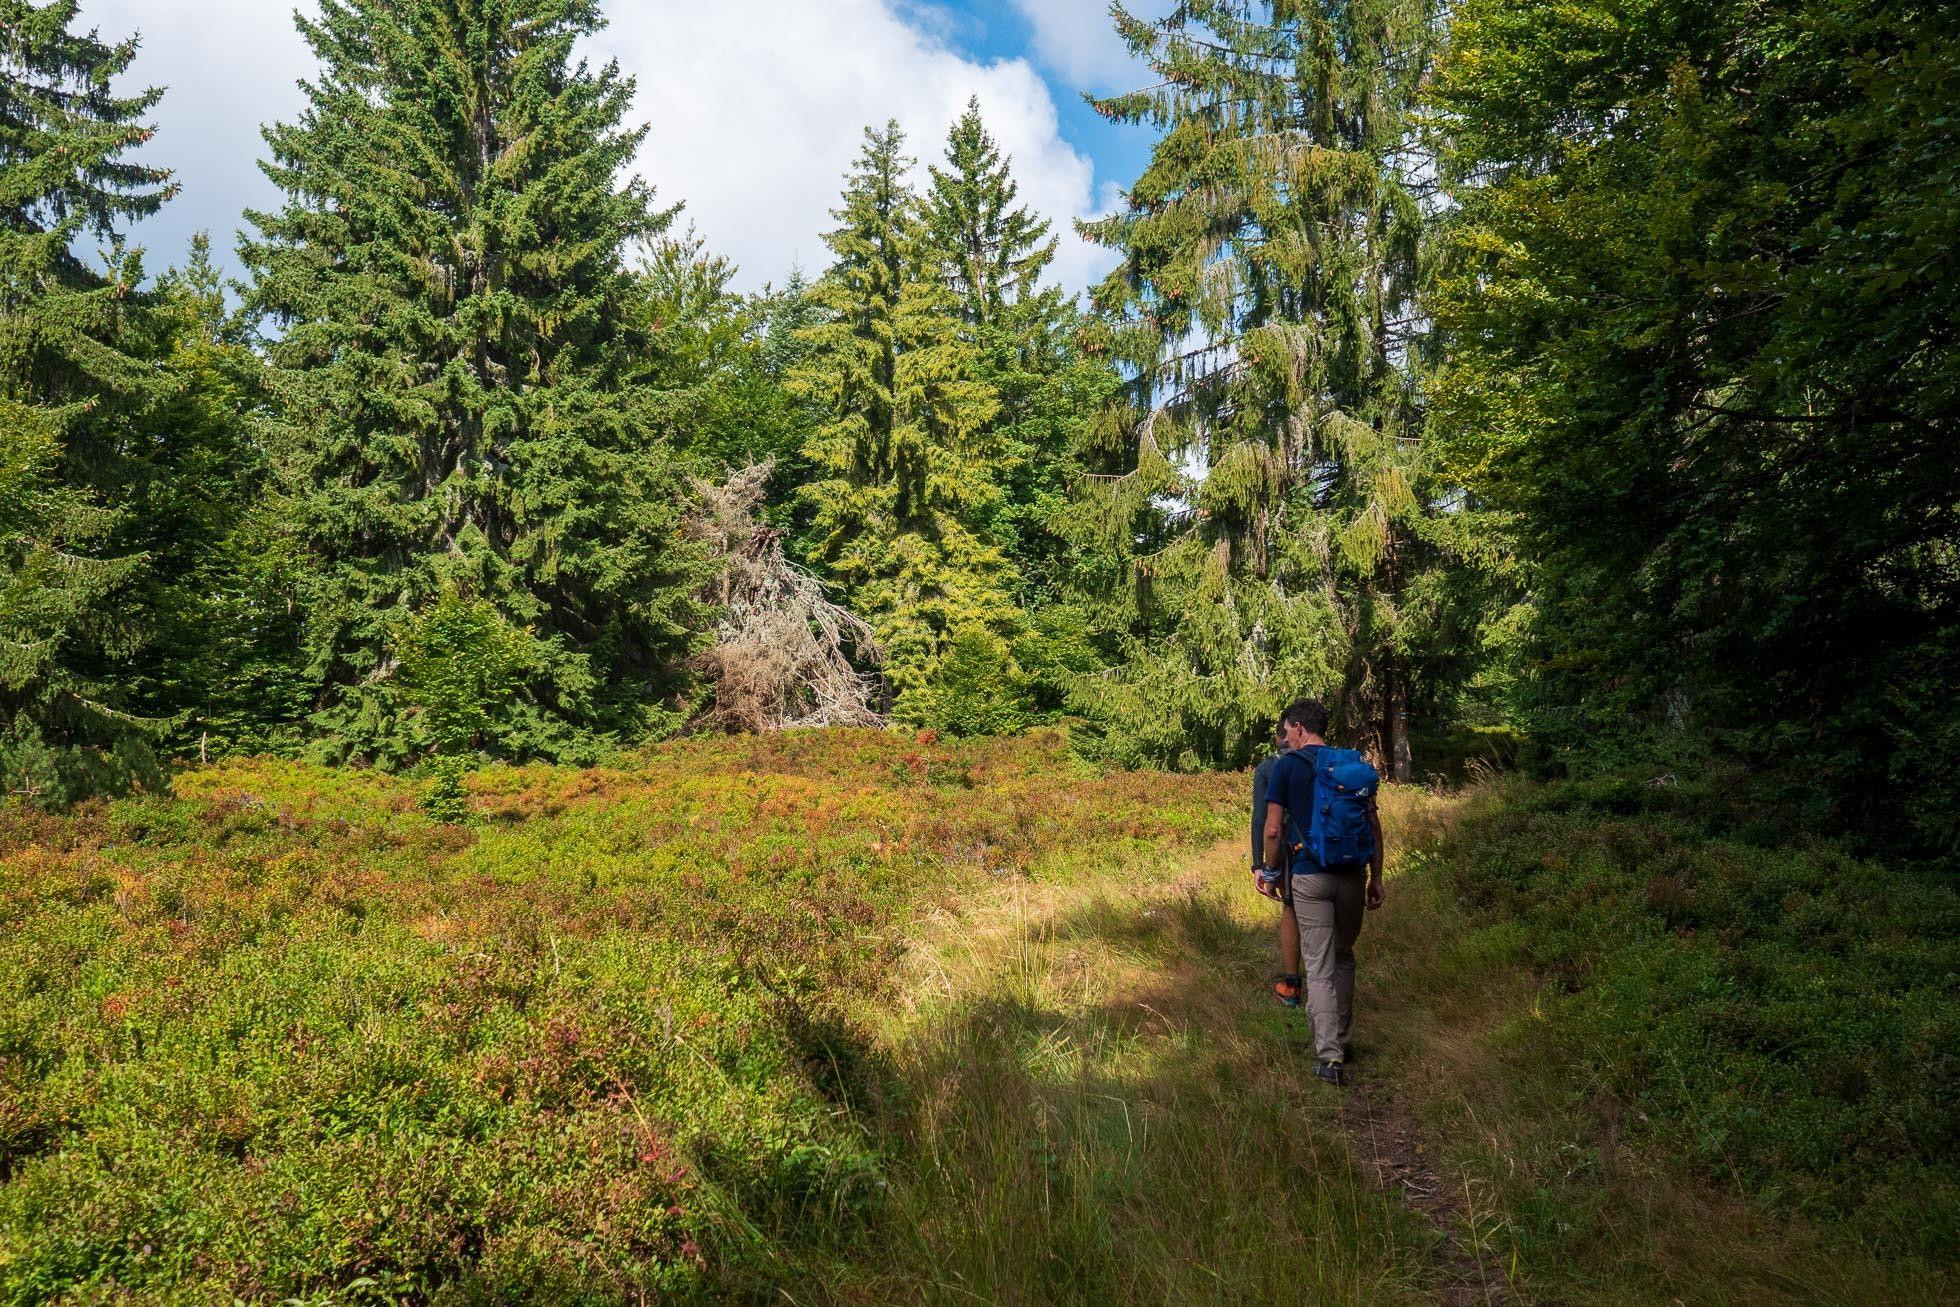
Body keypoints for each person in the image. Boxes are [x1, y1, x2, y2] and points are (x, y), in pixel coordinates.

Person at [1257, 699, 1385, 1086]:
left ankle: (1329, 1056)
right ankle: (1342, 1039)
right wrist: (1376, 878)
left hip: (1310, 876)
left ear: (1298, 728)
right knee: (1343, 956)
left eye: (1287, 730)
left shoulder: (1287, 767)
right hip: (1352, 874)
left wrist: (1270, 871)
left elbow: (1273, 829)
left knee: (1318, 965)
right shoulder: (1349, 764)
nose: (1286, 738)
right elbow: (1373, 825)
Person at [1251, 724, 1302, 1006]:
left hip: (1291, 851)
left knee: (1291, 909)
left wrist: (1260, 865)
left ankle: (1292, 984)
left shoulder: (1269, 768)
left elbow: (1264, 821)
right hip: (1333, 854)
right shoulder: (1327, 761)